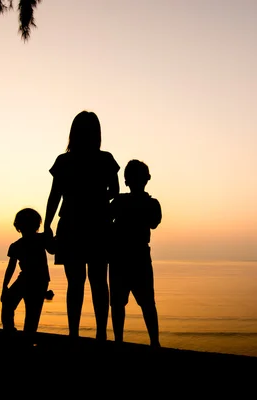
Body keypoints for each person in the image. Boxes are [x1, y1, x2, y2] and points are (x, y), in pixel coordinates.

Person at [44, 111, 120, 340]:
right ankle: (100, 334)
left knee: (75, 283)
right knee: (98, 282)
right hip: (98, 225)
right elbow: (115, 191)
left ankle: (74, 334)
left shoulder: (64, 161)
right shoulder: (105, 159)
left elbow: (54, 195)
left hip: (71, 224)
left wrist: (47, 225)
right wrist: (97, 198)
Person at [109, 159, 162, 347]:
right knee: (146, 303)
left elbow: (107, 220)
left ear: (126, 181)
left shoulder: (120, 202)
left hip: (121, 257)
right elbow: (154, 222)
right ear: (147, 179)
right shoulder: (152, 203)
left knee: (119, 304)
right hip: (136, 256)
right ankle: (154, 342)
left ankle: (119, 341)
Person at [1, 208, 55, 342]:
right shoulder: (16, 246)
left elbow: (52, 249)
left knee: (31, 313)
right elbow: (11, 267)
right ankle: (12, 332)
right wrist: (4, 286)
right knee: (10, 304)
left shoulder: (41, 238)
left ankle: (25, 338)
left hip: (38, 280)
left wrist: (51, 235)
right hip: (26, 279)